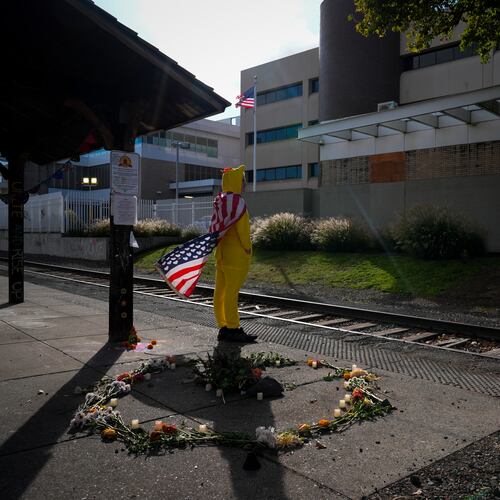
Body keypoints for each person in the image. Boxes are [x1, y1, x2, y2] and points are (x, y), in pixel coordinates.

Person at [213, 165, 256, 343]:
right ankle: (233, 328)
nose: (244, 184)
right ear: (236, 182)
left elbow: (215, 227)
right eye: (243, 181)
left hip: (221, 253)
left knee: (220, 292)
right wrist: (248, 248)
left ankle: (223, 326)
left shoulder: (219, 200)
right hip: (236, 254)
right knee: (232, 293)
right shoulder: (239, 202)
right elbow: (243, 231)